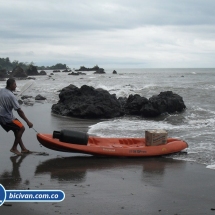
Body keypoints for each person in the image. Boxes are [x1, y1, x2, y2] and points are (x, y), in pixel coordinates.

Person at [0, 78, 33, 155]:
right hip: (5, 118)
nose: (16, 86)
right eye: (15, 84)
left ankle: (23, 149)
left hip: (5, 116)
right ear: (11, 85)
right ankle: (14, 148)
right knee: (22, 128)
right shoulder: (12, 96)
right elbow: (19, 111)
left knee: (16, 130)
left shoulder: (1, 90)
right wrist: (28, 122)